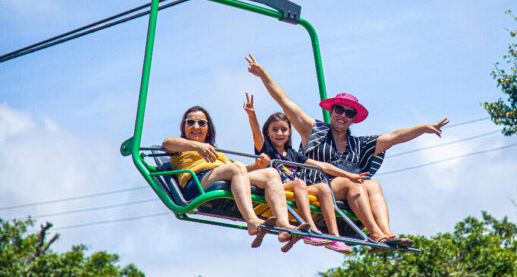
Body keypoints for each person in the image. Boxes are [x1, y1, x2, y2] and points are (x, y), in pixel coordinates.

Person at [245, 53, 449, 247]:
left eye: (349, 113)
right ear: (331, 111)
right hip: (316, 187)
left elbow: (394, 137)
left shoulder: (358, 144)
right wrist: (263, 75)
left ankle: (386, 232)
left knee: (372, 184)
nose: (343, 115)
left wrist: (423, 129)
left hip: (346, 191)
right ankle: (374, 234)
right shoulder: (314, 131)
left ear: (353, 118)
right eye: (339, 110)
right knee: (352, 183)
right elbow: (285, 101)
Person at [162, 105, 310, 252]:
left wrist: (257, 166)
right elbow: (167, 143)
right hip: (196, 184)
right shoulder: (181, 147)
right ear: (184, 126)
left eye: (202, 123)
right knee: (236, 168)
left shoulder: (215, 151)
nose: (196, 126)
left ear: (208, 128)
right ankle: (252, 221)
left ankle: (283, 226)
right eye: (191, 122)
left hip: (221, 175)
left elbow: (240, 174)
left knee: (271, 173)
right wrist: (197, 146)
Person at [243, 93, 369, 254]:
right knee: (299, 183)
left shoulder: (293, 154)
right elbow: (256, 135)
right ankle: (312, 231)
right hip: (275, 190)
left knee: (323, 187)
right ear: (267, 133)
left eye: (283, 130)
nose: (279, 133)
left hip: (295, 190)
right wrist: (252, 114)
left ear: (289, 133)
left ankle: (335, 237)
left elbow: (323, 166)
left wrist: (349, 176)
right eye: (274, 130)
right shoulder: (266, 149)